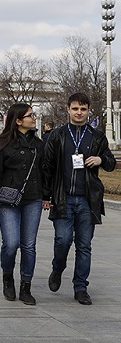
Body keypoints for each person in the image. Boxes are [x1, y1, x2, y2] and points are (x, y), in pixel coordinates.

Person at [41, 92, 116, 305]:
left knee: (84, 245)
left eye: (83, 109)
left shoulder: (97, 136)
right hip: (63, 197)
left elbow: (111, 163)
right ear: (68, 110)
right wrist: (46, 195)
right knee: (63, 240)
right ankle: (58, 268)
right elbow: (47, 166)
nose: (79, 113)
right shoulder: (58, 135)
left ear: (88, 111)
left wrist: (101, 159)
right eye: (75, 108)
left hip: (87, 200)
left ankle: (81, 287)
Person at [0, 104, 44, 304]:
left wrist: (47, 196)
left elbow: (45, 172)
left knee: (29, 245)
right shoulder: (3, 143)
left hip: (33, 199)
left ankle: (26, 286)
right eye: (30, 116)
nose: (34, 118)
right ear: (18, 121)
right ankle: (7, 277)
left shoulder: (38, 144)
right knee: (11, 244)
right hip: (8, 200)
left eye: (33, 115)